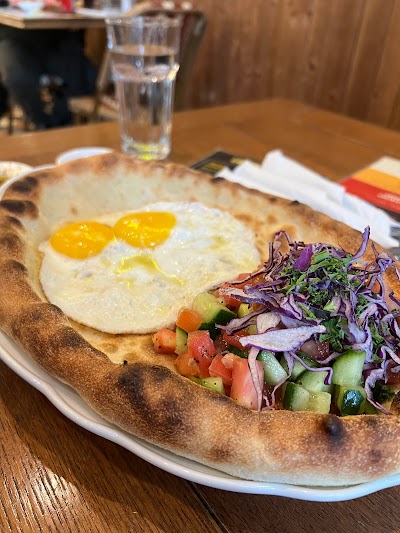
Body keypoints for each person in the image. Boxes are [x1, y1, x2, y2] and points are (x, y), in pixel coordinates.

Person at [0, 25, 98, 129]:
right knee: (20, 79)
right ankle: (42, 124)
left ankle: (62, 125)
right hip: (11, 37)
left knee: (77, 82)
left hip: (58, 36)